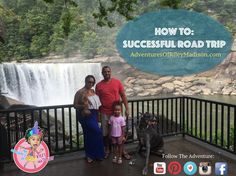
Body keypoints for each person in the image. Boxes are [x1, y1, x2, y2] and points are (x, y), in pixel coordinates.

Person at [96, 66, 131, 159]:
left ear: (110, 72)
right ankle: (107, 150)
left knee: (120, 133)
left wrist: (127, 109)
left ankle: (122, 151)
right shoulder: (98, 85)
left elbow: (123, 95)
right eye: (104, 72)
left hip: (117, 113)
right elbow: (97, 100)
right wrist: (98, 114)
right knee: (105, 133)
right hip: (104, 113)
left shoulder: (117, 82)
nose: (107, 73)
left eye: (108, 71)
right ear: (102, 73)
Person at [73, 75, 105, 163]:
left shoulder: (92, 91)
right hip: (85, 116)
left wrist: (98, 116)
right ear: (85, 81)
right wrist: (84, 105)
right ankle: (90, 155)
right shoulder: (79, 92)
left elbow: (96, 105)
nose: (90, 84)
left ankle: (97, 155)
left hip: (94, 115)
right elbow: (75, 105)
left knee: (91, 135)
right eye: (89, 82)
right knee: (96, 132)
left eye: (92, 82)